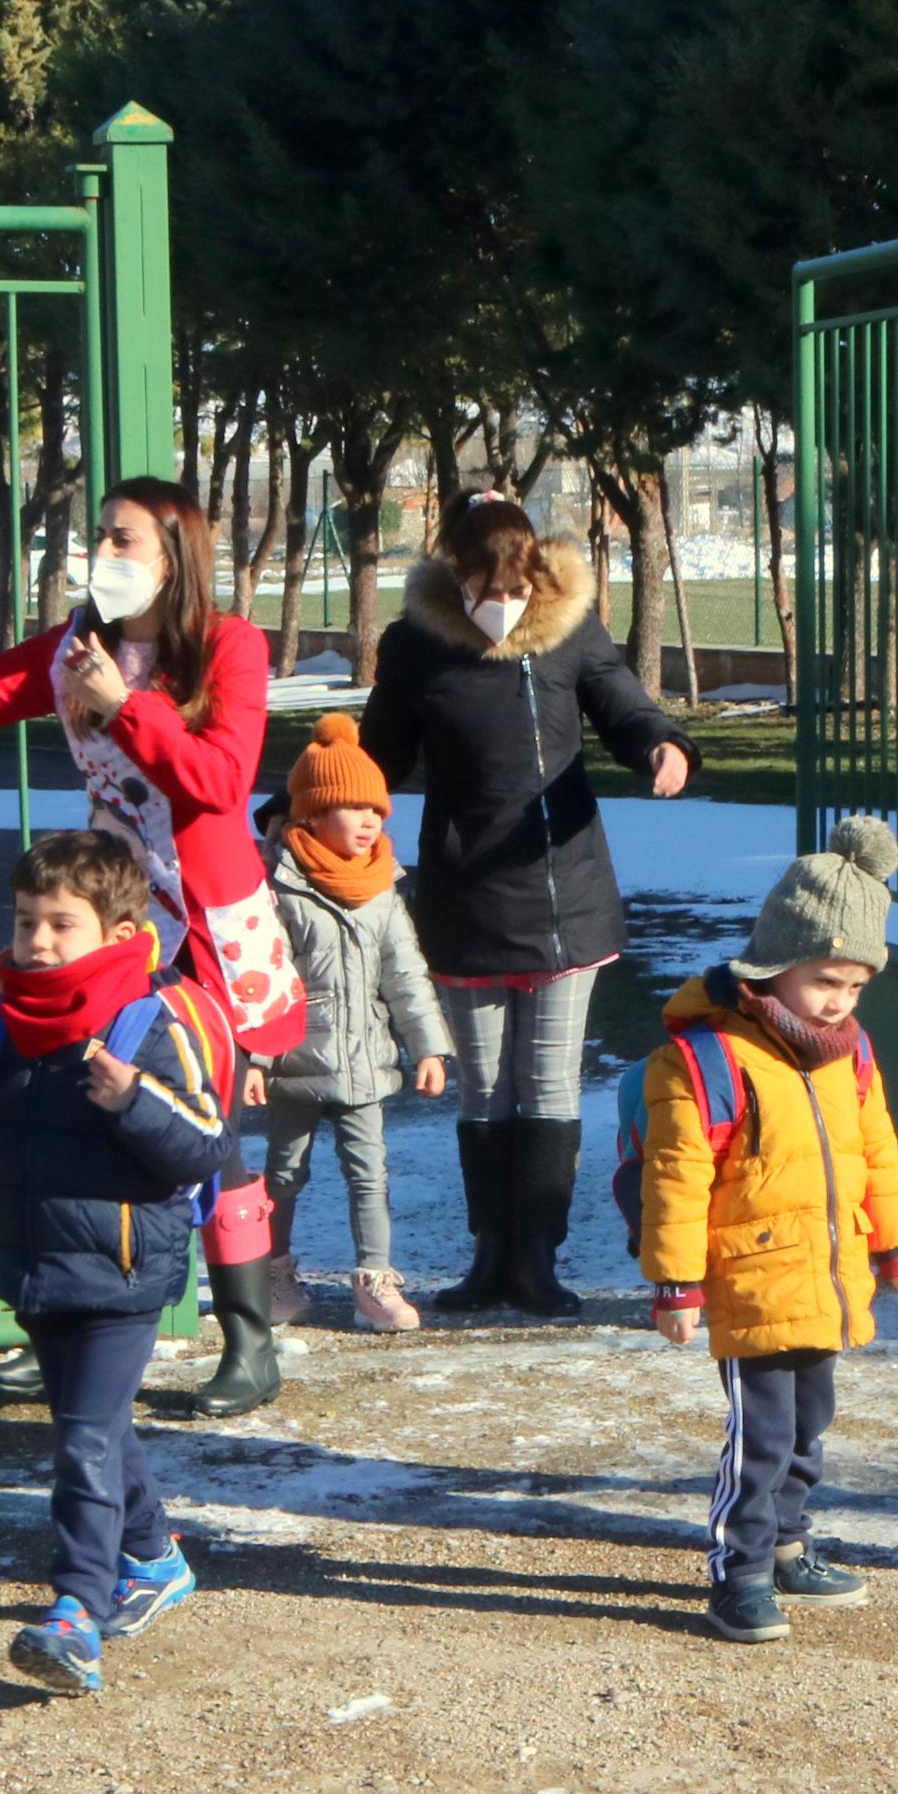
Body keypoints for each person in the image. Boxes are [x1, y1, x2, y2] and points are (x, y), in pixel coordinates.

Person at [0, 477, 305, 1419]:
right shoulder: (81, 644)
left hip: (206, 924)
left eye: (123, 538)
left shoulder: (230, 646)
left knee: (204, 1122)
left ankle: (246, 1338)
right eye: (99, 536)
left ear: (174, 552)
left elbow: (221, 779)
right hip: (108, 918)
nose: (102, 553)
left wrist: (127, 707)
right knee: (72, 1095)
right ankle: (60, 1320)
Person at [0, 832, 243, 1694]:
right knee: (98, 1425)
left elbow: (205, 1145)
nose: (39, 941)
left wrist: (136, 1102)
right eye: (26, 921)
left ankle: (75, 1614)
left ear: (117, 926)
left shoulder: (149, 1016)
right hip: (32, 1258)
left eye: (62, 923)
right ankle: (158, 1557)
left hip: (126, 1271)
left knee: (83, 1438)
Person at [355, 491, 697, 1320]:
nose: (500, 604)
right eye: (484, 585)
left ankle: (538, 1258)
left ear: (537, 575)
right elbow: (376, 754)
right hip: (464, 897)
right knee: (484, 1090)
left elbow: (623, 705)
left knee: (545, 1084)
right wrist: (317, 799)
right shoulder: (416, 645)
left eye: (515, 587)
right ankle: (489, 1255)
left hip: (562, 895)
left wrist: (664, 745)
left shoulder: (569, 629)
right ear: (456, 574)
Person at [633, 818, 898, 1643]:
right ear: (776, 964)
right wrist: (676, 1284)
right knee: (762, 1437)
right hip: (750, 1280)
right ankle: (736, 1572)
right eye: (825, 980)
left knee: (810, 1424)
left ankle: (788, 1546)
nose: (840, 1000)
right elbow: (674, 1175)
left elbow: (876, 1154)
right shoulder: (707, 1057)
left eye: (855, 985)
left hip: (829, 1275)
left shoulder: (847, 1053)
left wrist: (897, 1252)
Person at [250, 715, 453, 1332]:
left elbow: (407, 976)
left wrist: (428, 1048)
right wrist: (255, 1060)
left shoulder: (382, 889)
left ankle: (376, 1278)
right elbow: (258, 977)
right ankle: (271, 1268)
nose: (370, 821)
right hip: (293, 1063)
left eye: (377, 809)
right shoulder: (278, 887)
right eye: (352, 808)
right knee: (284, 1169)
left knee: (371, 1172)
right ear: (310, 815)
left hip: (364, 1061)